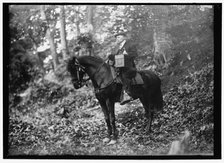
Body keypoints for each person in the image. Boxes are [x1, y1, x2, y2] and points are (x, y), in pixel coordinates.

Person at [109, 31, 138, 105]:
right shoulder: (116, 47)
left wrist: (127, 54)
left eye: (119, 37)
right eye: (116, 37)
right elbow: (113, 57)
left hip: (128, 66)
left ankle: (127, 94)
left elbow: (135, 54)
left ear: (123, 37)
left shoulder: (130, 44)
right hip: (117, 67)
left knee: (124, 75)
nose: (117, 39)